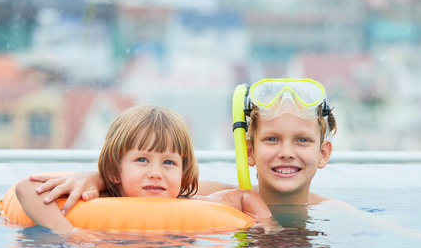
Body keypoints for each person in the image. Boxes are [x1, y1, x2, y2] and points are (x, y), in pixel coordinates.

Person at [30, 78, 339, 211]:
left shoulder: (335, 213)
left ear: (323, 153)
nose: (286, 151)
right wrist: (94, 177)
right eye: (271, 139)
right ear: (248, 151)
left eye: (302, 140)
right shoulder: (217, 193)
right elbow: (154, 182)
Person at [15, 105, 273, 235]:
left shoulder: (194, 202)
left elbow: (244, 195)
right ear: (115, 172)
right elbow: (25, 188)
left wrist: (270, 227)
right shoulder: (101, 200)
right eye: (142, 160)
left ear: (183, 175)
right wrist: (69, 233)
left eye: (169, 163)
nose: (156, 172)